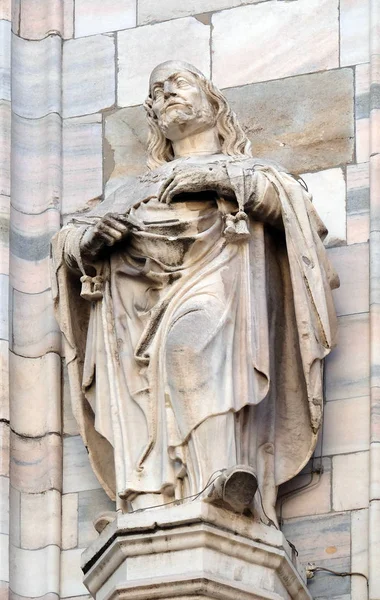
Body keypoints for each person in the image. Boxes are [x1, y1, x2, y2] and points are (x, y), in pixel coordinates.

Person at [51, 61, 339, 524]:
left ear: (212, 101)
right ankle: (149, 497)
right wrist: (88, 240)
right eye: (157, 90)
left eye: (179, 84)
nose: (167, 94)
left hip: (217, 285)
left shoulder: (246, 169)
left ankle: (219, 481)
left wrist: (221, 180)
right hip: (135, 307)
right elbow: (68, 242)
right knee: (146, 377)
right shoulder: (134, 188)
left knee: (189, 350)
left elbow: (292, 209)